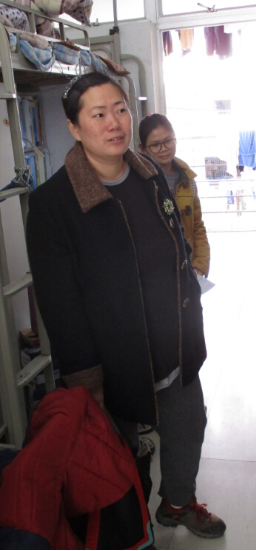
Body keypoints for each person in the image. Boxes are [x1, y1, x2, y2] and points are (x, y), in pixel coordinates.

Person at [25, 72, 226, 540]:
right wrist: (87, 381)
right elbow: (60, 305)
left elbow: (176, 248)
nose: (114, 123)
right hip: (113, 362)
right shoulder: (53, 203)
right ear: (75, 128)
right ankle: (134, 534)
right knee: (120, 456)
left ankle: (178, 503)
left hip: (174, 345)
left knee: (188, 427)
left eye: (120, 109)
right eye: (98, 114)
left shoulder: (150, 175)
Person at [139, 114, 210, 278]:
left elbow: (197, 226)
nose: (163, 148)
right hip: (157, 275)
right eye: (155, 145)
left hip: (189, 269)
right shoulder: (140, 182)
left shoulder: (187, 178)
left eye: (168, 141)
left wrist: (200, 266)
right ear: (143, 148)